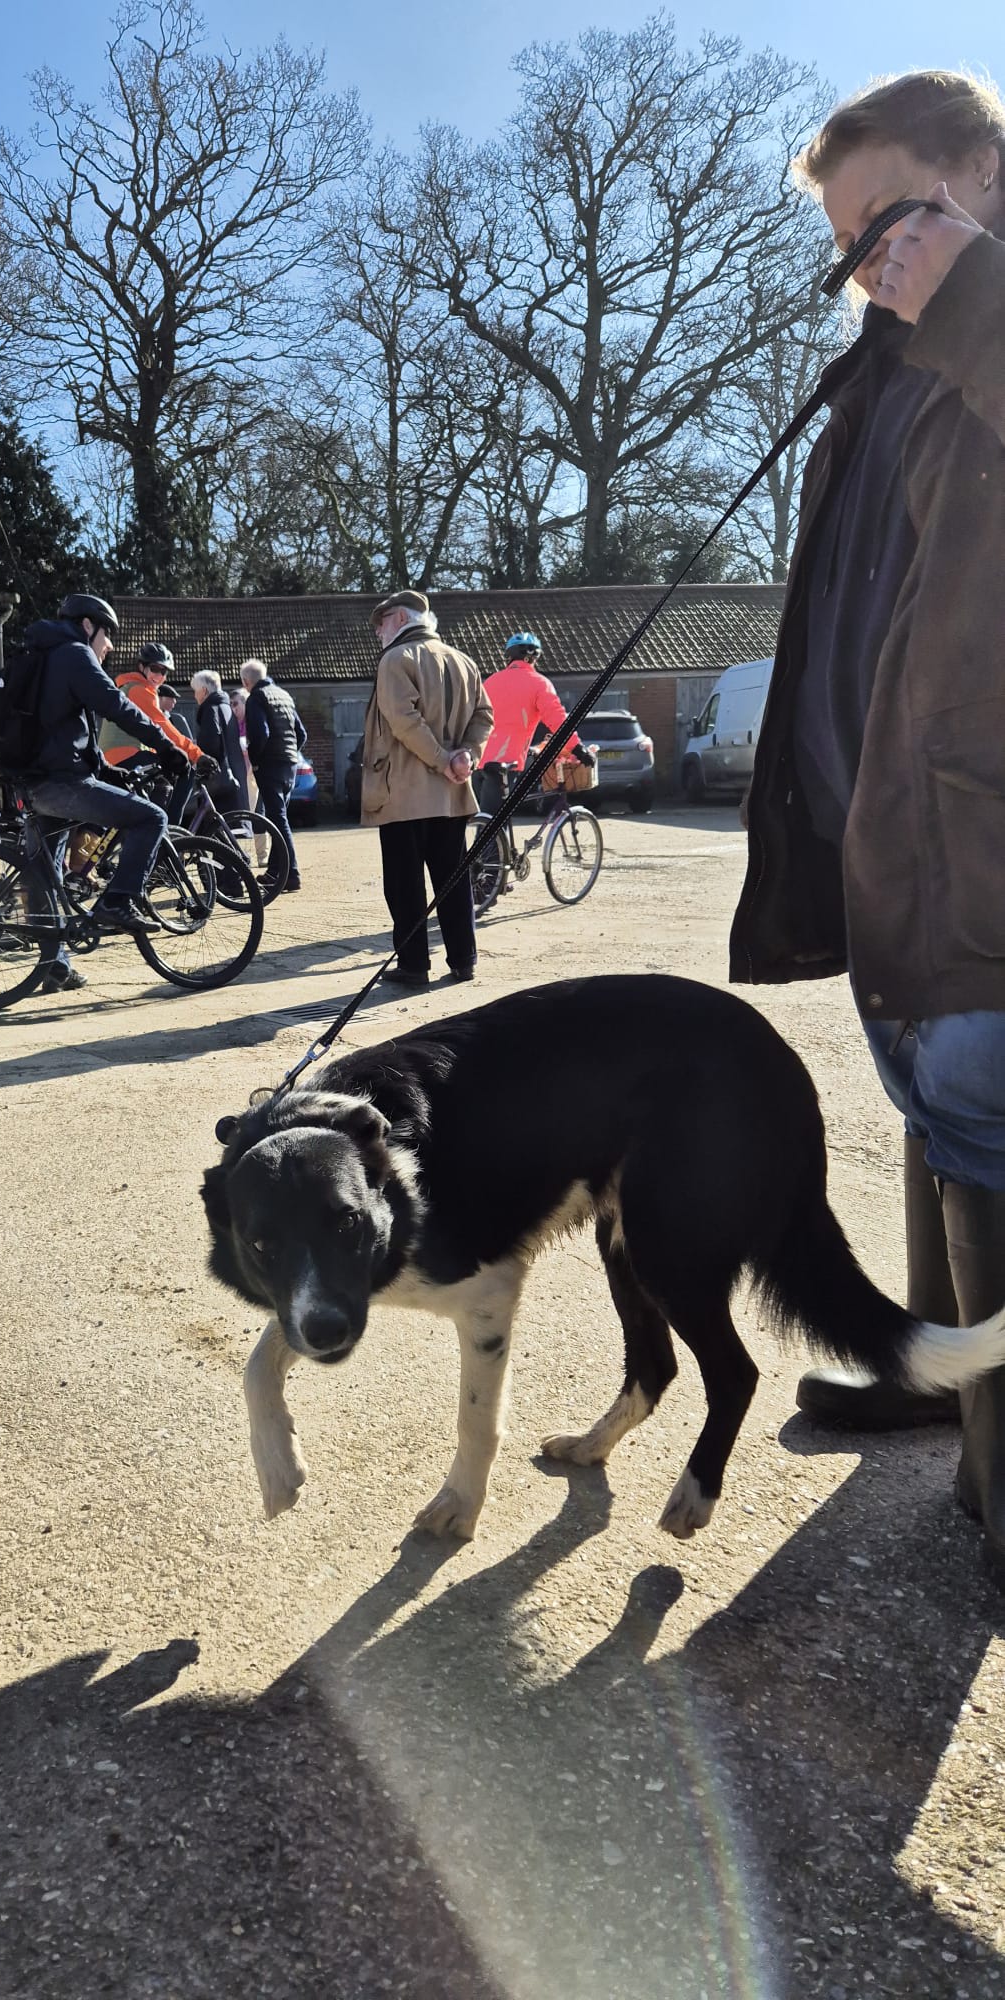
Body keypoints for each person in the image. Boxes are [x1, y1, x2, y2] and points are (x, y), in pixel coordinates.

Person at [727, 71, 1005, 1566]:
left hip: (986, 851)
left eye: (890, 220)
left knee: (992, 1132)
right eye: (847, 245)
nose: (870, 268)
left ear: (988, 172)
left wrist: (977, 299)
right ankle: (940, 1381)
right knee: (938, 1122)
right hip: (895, 848)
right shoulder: (895, 367)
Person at [20, 595, 190, 986]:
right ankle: (117, 901)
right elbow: (118, 706)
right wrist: (168, 746)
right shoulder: (74, 655)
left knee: (46, 874)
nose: (110, 645)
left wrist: (110, 772)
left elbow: (69, 733)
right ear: (86, 626)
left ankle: (54, 967)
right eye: (107, 634)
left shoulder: (43, 655)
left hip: (36, 780)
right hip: (60, 785)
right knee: (153, 817)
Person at [360, 589, 494, 989]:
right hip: (452, 795)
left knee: (404, 885)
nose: (378, 632)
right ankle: (464, 959)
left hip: (403, 794)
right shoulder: (464, 660)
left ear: (400, 619)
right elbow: (485, 715)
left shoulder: (395, 659)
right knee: (453, 880)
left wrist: (441, 759)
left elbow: (403, 720)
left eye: (381, 623)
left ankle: (415, 966)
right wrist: (466, 756)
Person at [479, 633, 596, 809]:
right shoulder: (540, 683)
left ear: (509, 657)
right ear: (534, 659)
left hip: (480, 758)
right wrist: (577, 748)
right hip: (508, 759)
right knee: (493, 826)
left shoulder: (490, 682)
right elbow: (557, 719)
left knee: (488, 816)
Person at [240, 660, 307, 895]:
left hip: (270, 764)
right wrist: (291, 754)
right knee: (280, 818)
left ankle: (292, 874)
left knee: (278, 820)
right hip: (289, 764)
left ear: (246, 681)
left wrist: (256, 760)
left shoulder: (257, 698)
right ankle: (275, 873)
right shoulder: (284, 695)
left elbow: (261, 733)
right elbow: (301, 733)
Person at [100, 642, 203, 775]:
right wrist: (197, 755)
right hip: (125, 755)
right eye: (154, 668)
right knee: (183, 771)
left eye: (164, 671)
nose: (159, 676)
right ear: (142, 667)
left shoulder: (128, 687)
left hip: (114, 757)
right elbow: (162, 727)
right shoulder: (140, 690)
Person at [190, 671, 247, 807]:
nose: (194, 695)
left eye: (195, 691)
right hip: (235, 773)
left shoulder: (210, 708)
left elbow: (211, 742)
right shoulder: (226, 707)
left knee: (216, 822)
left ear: (204, 691)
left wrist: (202, 760)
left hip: (219, 779)